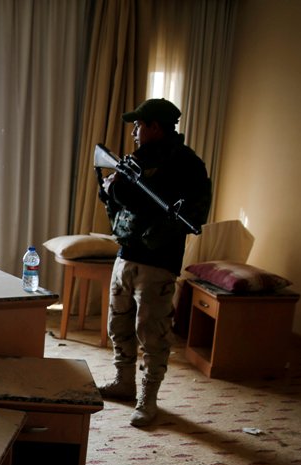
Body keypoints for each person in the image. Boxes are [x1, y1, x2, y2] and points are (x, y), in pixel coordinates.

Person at [96, 98, 212, 426]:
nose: (134, 132)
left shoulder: (186, 165)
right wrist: (109, 189)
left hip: (158, 261)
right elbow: (121, 203)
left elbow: (186, 212)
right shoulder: (136, 160)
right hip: (126, 253)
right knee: (118, 325)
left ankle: (148, 399)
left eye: (138, 125)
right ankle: (123, 382)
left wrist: (123, 191)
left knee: (152, 333)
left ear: (155, 127)